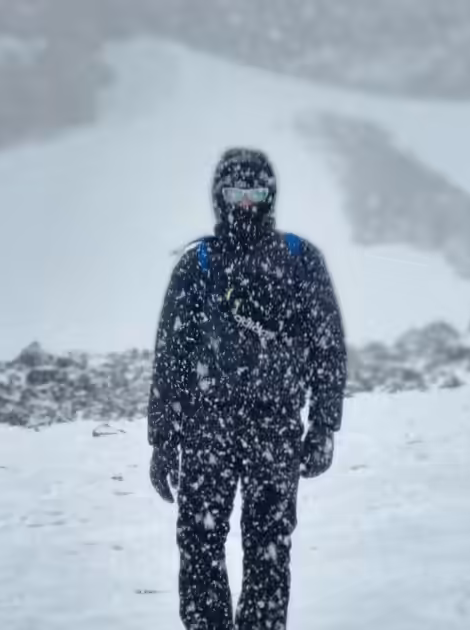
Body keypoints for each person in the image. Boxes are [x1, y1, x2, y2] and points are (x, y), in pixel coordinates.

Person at [147, 147, 347, 630]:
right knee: (199, 547)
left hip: (274, 428)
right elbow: (171, 358)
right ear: (220, 196)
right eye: (235, 193)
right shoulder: (196, 265)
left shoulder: (300, 260)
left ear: (270, 196)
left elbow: (328, 348)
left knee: (268, 551)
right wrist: (162, 441)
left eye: (255, 193)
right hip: (204, 432)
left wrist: (323, 425)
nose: (244, 204)